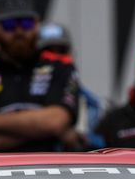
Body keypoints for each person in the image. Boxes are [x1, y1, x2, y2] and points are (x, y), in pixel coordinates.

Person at [0, 0, 80, 152]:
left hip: (54, 169)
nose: (19, 31)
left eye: (26, 23)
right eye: (9, 24)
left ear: (37, 23)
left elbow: (56, 122)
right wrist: (45, 128)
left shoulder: (60, 66)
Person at [37, 22, 106, 150]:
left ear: (70, 54)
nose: (55, 59)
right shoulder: (23, 96)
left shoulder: (94, 105)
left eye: (61, 51)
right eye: (48, 52)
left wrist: (81, 139)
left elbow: (105, 148)